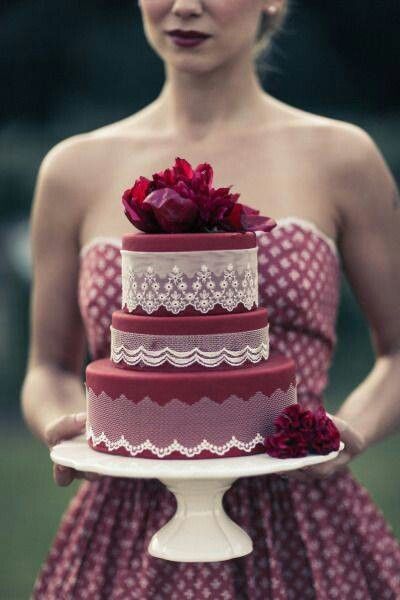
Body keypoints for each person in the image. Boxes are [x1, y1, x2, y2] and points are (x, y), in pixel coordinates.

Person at [22, 1, 400, 598]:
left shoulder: (343, 158)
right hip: (127, 516)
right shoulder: (72, 169)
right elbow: (46, 368)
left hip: (300, 512)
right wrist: (64, 425)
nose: (184, 6)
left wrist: (349, 427)